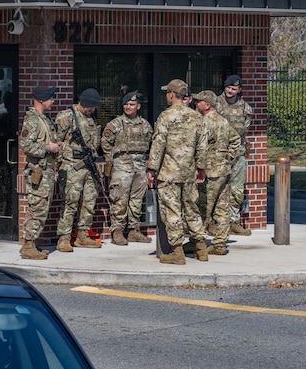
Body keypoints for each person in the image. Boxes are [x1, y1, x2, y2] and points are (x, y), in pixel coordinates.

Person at [147, 79, 209, 265]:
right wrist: (201, 167)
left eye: (167, 92)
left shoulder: (166, 116)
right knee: (192, 209)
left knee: (172, 211)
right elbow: (203, 145)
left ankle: (177, 252)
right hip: (189, 172)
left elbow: (158, 145)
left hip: (169, 173)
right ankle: (201, 248)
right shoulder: (197, 117)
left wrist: (152, 168)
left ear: (172, 94)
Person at [191, 90, 241, 255]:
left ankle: (197, 242)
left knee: (202, 207)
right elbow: (235, 139)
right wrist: (228, 157)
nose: (196, 104)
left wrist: (200, 168)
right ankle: (220, 244)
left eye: (198, 102)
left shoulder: (205, 123)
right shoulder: (223, 121)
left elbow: (201, 147)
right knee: (221, 208)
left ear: (207, 105)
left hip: (209, 173)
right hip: (223, 170)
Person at [54, 88, 104, 252]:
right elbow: (57, 142)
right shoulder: (66, 116)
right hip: (72, 165)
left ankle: (83, 234)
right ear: (85, 102)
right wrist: (59, 165)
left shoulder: (91, 117)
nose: (93, 109)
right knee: (70, 202)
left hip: (88, 165)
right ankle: (64, 237)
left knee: (90, 200)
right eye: (92, 106)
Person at [101, 91, 153, 246]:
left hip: (140, 164)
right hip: (122, 165)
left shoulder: (145, 125)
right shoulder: (115, 124)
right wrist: (112, 160)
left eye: (131, 104)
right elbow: (106, 143)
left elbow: (150, 143)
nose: (128, 107)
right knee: (120, 199)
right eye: (126, 104)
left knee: (137, 200)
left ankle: (134, 230)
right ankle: (117, 231)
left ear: (138, 106)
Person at [18, 85, 61, 260]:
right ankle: (28, 245)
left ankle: (31, 243)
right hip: (39, 172)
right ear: (41, 100)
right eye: (51, 98)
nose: (53, 101)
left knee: (40, 208)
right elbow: (25, 145)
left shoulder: (44, 119)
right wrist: (47, 147)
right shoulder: (33, 120)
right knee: (37, 209)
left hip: (46, 171)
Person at [215, 74, 253, 235]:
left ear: (239, 90)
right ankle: (217, 222)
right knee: (217, 188)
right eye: (228, 87)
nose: (230, 91)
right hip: (219, 153)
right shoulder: (216, 104)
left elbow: (244, 130)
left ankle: (233, 221)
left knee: (237, 189)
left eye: (234, 88)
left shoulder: (245, 108)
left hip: (238, 153)